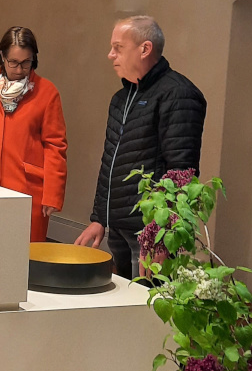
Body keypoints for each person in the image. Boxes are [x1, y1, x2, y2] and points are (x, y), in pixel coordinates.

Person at [74, 15, 206, 278]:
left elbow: (181, 171)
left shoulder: (178, 94)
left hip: (149, 231)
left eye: (118, 47)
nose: (110, 55)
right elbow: (110, 161)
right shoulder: (121, 99)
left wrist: (160, 232)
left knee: (148, 307)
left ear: (145, 49)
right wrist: (100, 216)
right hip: (120, 225)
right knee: (124, 304)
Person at [0, 26, 68, 242]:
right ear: (2, 57)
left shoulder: (47, 92)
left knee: (25, 257)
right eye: (13, 62)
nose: (19, 69)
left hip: (28, 191)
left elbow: (55, 146)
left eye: (26, 62)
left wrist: (52, 194)